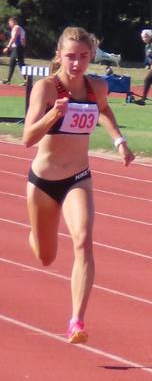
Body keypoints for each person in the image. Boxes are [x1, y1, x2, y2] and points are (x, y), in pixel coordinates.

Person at [23, 27, 135, 342]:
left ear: (91, 56)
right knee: (46, 256)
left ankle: (77, 321)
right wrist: (52, 115)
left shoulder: (96, 86)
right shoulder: (46, 89)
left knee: (84, 242)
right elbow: (28, 139)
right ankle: (36, 232)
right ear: (59, 55)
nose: (76, 63)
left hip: (78, 177)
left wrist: (119, 141)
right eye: (71, 56)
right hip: (43, 181)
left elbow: (104, 110)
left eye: (83, 57)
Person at [3, 15, 26, 85]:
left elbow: (14, 38)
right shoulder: (19, 28)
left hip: (17, 48)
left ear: (14, 22)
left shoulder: (16, 27)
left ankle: (26, 80)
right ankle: (8, 79)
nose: (9, 24)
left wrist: (7, 47)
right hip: (18, 48)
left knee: (20, 64)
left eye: (10, 22)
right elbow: (23, 39)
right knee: (13, 63)